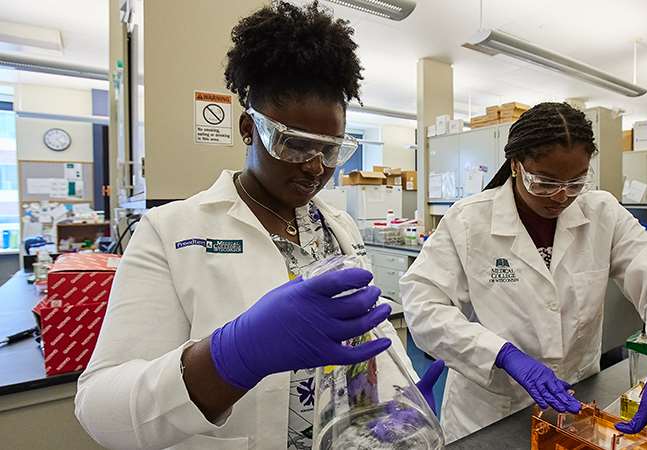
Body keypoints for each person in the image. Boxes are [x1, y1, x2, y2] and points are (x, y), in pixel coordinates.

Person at [75, 3, 442, 449]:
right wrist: (232, 356)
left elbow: (352, 355)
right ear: (249, 128)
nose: (313, 167)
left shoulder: (337, 227)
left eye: (330, 151)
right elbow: (99, 411)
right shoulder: (169, 230)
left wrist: (384, 401)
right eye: (294, 144)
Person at [401, 102, 647, 448]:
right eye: (545, 182)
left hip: (576, 402)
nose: (562, 196)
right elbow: (423, 305)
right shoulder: (468, 221)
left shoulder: (602, 213)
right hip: (492, 412)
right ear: (516, 166)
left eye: (576, 182)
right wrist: (503, 354)